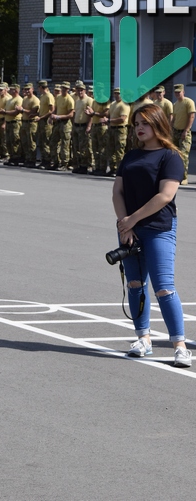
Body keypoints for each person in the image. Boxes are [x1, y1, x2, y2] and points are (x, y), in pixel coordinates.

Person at [112, 103, 191, 368]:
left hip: (158, 229)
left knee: (164, 287)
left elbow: (165, 195)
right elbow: (117, 192)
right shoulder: (131, 156)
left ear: (157, 124)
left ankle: (179, 345)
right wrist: (125, 225)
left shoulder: (170, 157)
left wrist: (132, 219)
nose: (139, 128)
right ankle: (143, 338)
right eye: (136, 124)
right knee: (135, 284)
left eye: (144, 123)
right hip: (130, 229)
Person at [172, 84, 194, 184]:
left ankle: (184, 177)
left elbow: (191, 116)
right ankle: (175, 174)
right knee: (174, 154)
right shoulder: (175, 104)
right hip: (175, 131)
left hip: (184, 132)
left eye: (179, 92)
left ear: (183, 92)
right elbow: (174, 119)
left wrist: (186, 130)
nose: (177, 94)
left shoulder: (188, 102)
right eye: (176, 92)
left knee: (183, 155)